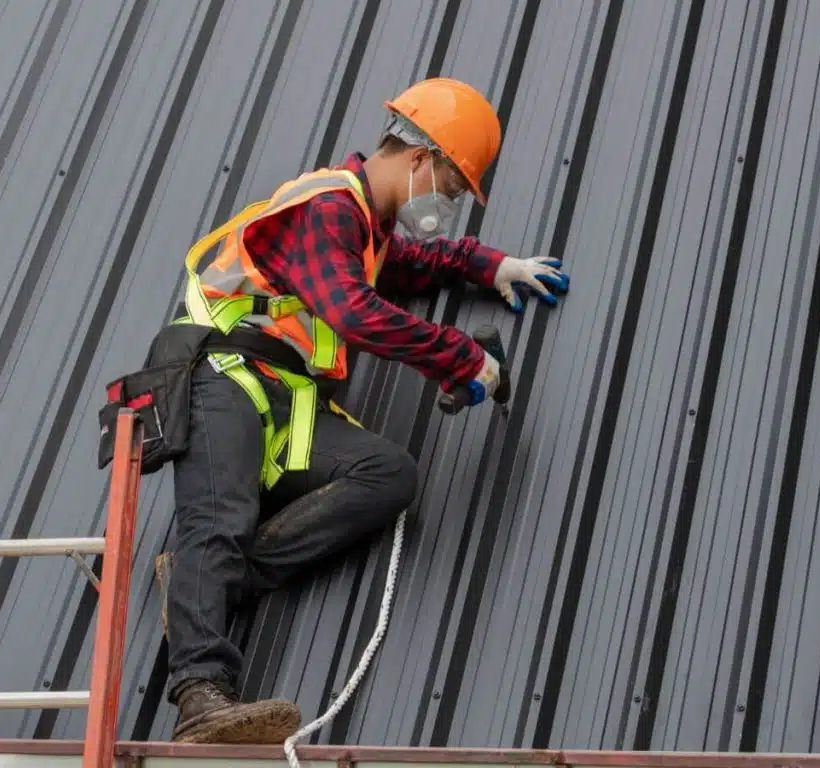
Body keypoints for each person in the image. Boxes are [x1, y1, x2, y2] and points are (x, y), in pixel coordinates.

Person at [155, 77, 570, 745]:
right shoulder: (328, 207)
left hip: (284, 400)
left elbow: (409, 265)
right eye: (452, 187)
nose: (449, 205)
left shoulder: (364, 230)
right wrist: (461, 357)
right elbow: (353, 311)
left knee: (388, 474)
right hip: (223, 377)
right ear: (419, 160)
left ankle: (209, 582)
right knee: (219, 516)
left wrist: (489, 266)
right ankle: (201, 695)